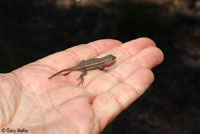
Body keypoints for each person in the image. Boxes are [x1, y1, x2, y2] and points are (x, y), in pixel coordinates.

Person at [0, 38, 164, 134]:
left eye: (111, 60)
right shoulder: (102, 64)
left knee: (83, 66)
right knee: (83, 71)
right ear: (107, 62)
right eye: (111, 60)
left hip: (84, 63)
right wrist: (86, 72)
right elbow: (99, 66)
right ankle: (81, 77)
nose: (112, 61)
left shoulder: (102, 62)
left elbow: (99, 64)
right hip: (83, 66)